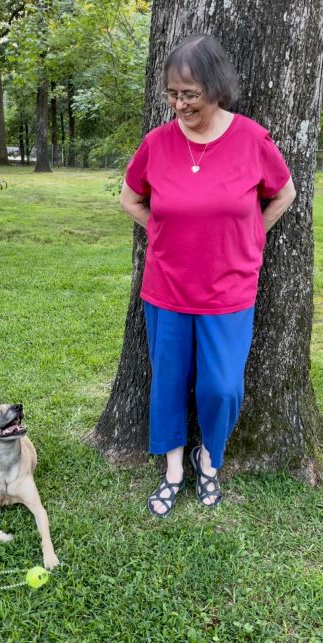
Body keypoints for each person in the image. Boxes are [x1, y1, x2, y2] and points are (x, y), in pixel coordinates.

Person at [120, 33, 296, 517]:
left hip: (230, 289)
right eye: (172, 94)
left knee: (221, 387)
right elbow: (129, 196)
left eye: (189, 94)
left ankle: (209, 460)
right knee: (169, 383)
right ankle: (174, 468)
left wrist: (254, 233)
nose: (179, 104)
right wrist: (158, 229)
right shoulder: (157, 143)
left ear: (216, 88)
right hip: (167, 288)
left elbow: (284, 192)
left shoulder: (251, 139)